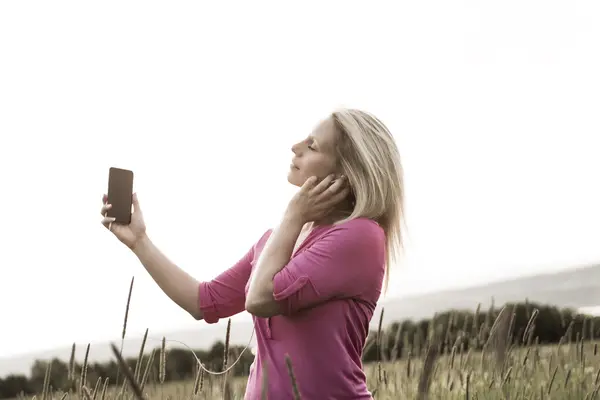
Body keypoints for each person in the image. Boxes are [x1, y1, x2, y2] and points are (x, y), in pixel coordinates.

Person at [100, 108, 404, 399]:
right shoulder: (275, 242)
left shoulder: (361, 236)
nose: (295, 147)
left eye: (312, 146)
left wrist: (292, 216)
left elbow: (259, 298)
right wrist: (140, 241)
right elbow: (202, 301)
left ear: (345, 173)